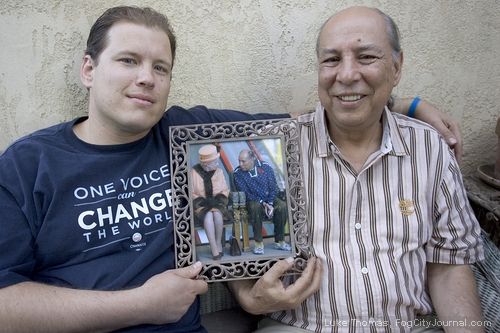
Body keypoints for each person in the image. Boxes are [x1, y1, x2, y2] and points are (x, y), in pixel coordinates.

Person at [0, 5, 467, 332]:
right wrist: (140, 304)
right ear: (88, 69)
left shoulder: (188, 133)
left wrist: (404, 103)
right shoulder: (27, 165)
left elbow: (321, 115)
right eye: (128, 61)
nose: (146, 77)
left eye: (160, 68)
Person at [228, 6, 485, 333]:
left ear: (397, 67)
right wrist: (248, 297)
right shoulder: (274, 148)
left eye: (365, 57)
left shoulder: (430, 149)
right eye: (332, 60)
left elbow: (448, 267)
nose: (346, 74)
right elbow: (230, 253)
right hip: (300, 327)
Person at [233, 149, 289, 254]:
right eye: (239, 161)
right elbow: (245, 194)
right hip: (253, 200)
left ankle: (280, 241)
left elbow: (273, 187)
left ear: (252, 159)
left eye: (243, 161)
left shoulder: (265, 167)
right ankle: (259, 243)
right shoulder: (238, 173)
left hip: (269, 198)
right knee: (255, 207)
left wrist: (270, 203)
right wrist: (263, 203)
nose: (240, 164)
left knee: (281, 206)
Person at [191, 144, 232, 260]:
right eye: (215, 162)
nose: (217, 164)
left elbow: (225, 189)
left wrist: (218, 200)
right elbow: (191, 192)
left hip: (217, 203)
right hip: (201, 205)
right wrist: (200, 202)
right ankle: (213, 247)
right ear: (207, 165)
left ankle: (218, 243)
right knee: (208, 215)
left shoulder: (219, 171)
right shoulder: (193, 172)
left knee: (217, 215)